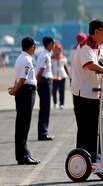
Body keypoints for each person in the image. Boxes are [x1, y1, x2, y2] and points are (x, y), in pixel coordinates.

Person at [70, 19, 103, 163]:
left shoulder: (96, 47)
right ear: (97, 31)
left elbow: (102, 63)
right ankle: (81, 160)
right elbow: (91, 66)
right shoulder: (85, 46)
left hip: (94, 93)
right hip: (83, 94)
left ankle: (92, 158)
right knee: (85, 129)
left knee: (94, 129)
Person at [8, 36, 41, 165]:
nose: (35, 48)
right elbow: (22, 79)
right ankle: (23, 155)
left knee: (21, 124)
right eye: (34, 46)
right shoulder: (27, 59)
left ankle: (22, 155)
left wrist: (15, 88)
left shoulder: (20, 58)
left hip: (23, 91)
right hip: (26, 92)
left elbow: (18, 79)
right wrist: (16, 89)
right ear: (31, 47)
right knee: (23, 124)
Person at [36, 36, 55, 141]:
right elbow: (40, 72)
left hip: (46, 83)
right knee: (45, 109)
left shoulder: (46, 54)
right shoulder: (44, 56)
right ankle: (43, 133)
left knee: (45, 109)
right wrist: (36, 84)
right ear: (50, 44)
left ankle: (44, 132)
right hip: (45, 83)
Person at [51, 43, 70, 109]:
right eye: (56, 50)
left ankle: (62, 103)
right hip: (54, 76)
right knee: (54, 90)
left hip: (62, 76)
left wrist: (68, 75)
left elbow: (65, 67)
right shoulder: (51, 58)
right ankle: (55, 103)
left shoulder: (63, 58)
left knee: (62, 90)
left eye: (59, 50)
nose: (57, 51)